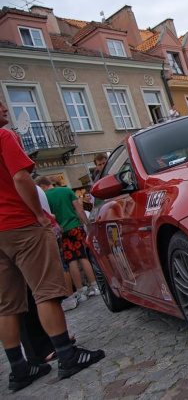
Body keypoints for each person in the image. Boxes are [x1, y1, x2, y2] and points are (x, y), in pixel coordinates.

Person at [0, 99, 105, 391]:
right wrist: (38, 215)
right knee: (45, 291)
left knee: (7, 305)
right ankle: (66, 355)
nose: (6, 108)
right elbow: (21, 177)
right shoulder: (4, 136)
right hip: (21, 225)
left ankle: (20, 370)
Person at [35, 176, 101, 300]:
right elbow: (80, 210)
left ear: (43, 186)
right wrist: (87, 224)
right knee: (83, 256)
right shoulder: (66, 191)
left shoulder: (45, 198)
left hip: (62, 231)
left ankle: (81, 291)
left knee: (71, 261)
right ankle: (95, 285)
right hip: (75, 227)